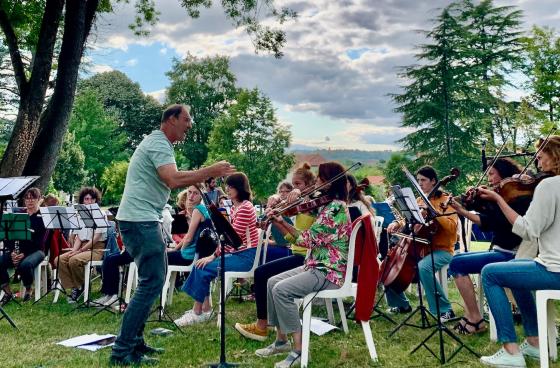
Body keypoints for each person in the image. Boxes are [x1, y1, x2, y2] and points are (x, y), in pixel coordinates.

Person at [109, 104, 235, 366]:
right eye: (187, 119)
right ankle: (121, 351)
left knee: (152, 282)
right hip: (140, 220)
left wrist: (200, 175)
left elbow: (174, 177)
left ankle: (135, 343)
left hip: (144, 219)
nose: (190, 125)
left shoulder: (160, 144)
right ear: (171, 119)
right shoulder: (158, 143)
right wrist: (210, 170)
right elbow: (172, 179)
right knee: (151, 284)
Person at [254, 162, 351, 368]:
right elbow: (300, 224)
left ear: (329, 181)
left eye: (319, 178)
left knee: (282, 290)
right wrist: (280, 212)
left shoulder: (336, 209)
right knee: (272, 282)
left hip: (328, 271)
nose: (316, 182)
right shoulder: (326, 205)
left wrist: (281, 222)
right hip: (315, 265)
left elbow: (306, 240)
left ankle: (298, 350)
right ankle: (281, 341)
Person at [478, 135, 560, 368]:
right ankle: (534, 342)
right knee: (514, 271)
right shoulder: (545, 185)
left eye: (541, 158)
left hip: (555, 270)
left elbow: (528, 230)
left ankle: (511, 352)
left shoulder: (549, 185)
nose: (538, 164)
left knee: (490, 273)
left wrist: (497, 199)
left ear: (553, 157)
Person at [448, 158, 531, 334]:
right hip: (500, 250)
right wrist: (463, 209)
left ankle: (475, 319)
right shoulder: (500, 196)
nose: (489, 179)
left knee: (457, 263)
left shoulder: (516, 198)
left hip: (511, 254)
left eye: (491, 174)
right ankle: (472, 315)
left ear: (503, 173)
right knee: (457, 260)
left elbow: (496, 223)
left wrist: (490, 202)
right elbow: (489, 221)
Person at [235, 163, 316, 341]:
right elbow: (290, 235)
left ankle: (262, 326)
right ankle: (265, 326)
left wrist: (301, 194)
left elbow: (304, 237)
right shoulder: (298, 204)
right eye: (293, 184)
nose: (294, 189)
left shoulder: (314, 205)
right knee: (263, 273)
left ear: (310, 185)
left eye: (299, 184)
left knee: (262, 273)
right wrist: (276, 202)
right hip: (296, 253)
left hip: (307, 258)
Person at [174, 172, 259, 326]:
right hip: (238, 254)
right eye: (227, 185)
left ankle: (198, 312)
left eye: (231, 186)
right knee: (201, 264)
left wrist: (213, 256)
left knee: (202, 266)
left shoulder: (245, 208)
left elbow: (233, 238)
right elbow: (227, 237)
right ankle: (203, 309)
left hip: (246, 256)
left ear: (240, 188)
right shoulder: (236, 207)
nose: (227, 189)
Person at [385, 166, 458, 321]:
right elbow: (409, 219)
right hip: (419, 247)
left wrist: (434, 212)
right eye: (418, 180)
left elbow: (452, 228)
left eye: (423, 180)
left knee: (424, 267)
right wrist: (397, 223)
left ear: (433, 181)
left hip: (442, 249)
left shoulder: (446, 200)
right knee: (388, 263)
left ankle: (445, 310)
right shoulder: (418, 200)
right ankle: (401, 305)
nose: (420, 183)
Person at [54, 187, 107, 303]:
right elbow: (78, 237)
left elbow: (96, 238)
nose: (89, 201)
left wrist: (80, 251)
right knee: (59, 260)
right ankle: (76, 287)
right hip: (82, 247)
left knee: (74, 260)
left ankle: (80, 287)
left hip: (97, 248)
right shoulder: (80, 215)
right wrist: (74, 250)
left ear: (95, 200)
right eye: (86, 199)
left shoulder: (100, 214)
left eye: (91, 199)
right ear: (82, 201)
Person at [0, 187, 47, 304]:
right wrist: (12, 252)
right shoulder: (18, 215)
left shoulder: (43, 217)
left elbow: (40, 242)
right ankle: (7, 292)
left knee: (25, 265)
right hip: (17, 251)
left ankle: (28, 289)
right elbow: (8, 236)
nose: (30, 201)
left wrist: (23, 254)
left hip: (37, 251)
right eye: (27, 198)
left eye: (33, 198)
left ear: (39, 199)